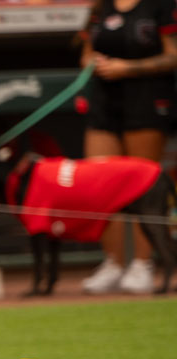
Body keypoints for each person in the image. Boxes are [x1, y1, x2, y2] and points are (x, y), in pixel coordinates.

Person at [78, 0, 177, 294]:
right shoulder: (100, 7)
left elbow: (173, 55)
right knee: (99, 186)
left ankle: (142, 264)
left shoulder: (161, 6)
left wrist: (128, 68)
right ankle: (114, 263)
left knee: (142, 188)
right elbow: (85, 53)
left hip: (147, 101)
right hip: (104, 103)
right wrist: (94, 63)